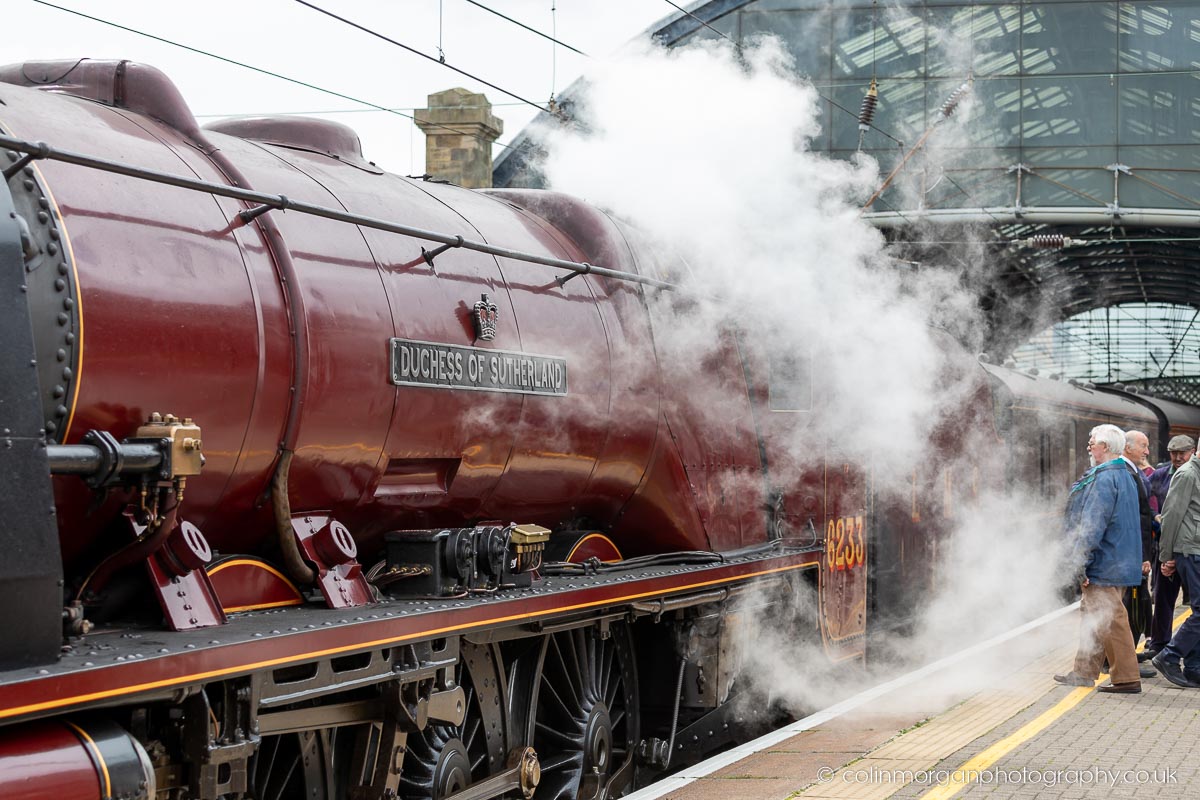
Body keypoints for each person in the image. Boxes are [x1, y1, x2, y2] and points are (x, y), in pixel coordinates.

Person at [1055, 424, 1145, 693]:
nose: (1088, 446)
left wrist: (1079, 562)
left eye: (1092, 441)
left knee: (1111, 619)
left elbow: (1092, 524)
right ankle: (1084, 671)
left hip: (1105, 561)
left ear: (1104, 447)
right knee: (1093, 616)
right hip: (1117, 557)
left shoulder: (1104, 479)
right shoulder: (1124, 474)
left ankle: (1127, 678)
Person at [1141, 435, 1197, 662]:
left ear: (1192, 451)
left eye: (1182, 453)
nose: (1177, 457)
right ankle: (1159, 643)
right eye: (1173, 453)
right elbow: (1145, 499)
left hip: (1187, 548)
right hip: (1166, 545)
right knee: (1163, 597)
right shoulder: (1161, 475)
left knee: (1194, 601)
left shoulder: (1192, 474)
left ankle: (1189, 649)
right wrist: (1155, 516)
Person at [1152, 443, 1200, 688]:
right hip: (1191, 550)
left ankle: (1194, 668)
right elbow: (1171, 516)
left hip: (1196, 548)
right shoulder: (1188, 474)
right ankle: (1169, 656)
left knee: (1198, 611)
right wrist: (1166, 556)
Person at [1120, 431, 1155, 678]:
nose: (1147, 452)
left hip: (1135, 552)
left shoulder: (1135, 471)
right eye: (1144, 446)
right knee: (1128, 608)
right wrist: (1142, 555)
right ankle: (1123, 661)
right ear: (1128, 447)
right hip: (1129, 555)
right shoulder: (1126, 473)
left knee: (1135, 607)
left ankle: (1127, 656)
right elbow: (1135, 519)